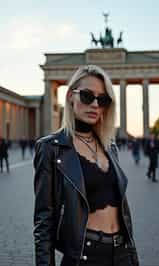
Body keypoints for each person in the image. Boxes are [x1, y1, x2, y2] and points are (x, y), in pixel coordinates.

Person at [33, 65, 139, 266]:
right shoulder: (50, 148)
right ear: (71, 96)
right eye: (88, 96)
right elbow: (43, 223)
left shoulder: (110, 147)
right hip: (85, 256)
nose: (95, 105)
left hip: (123, 253)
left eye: (103, 99)